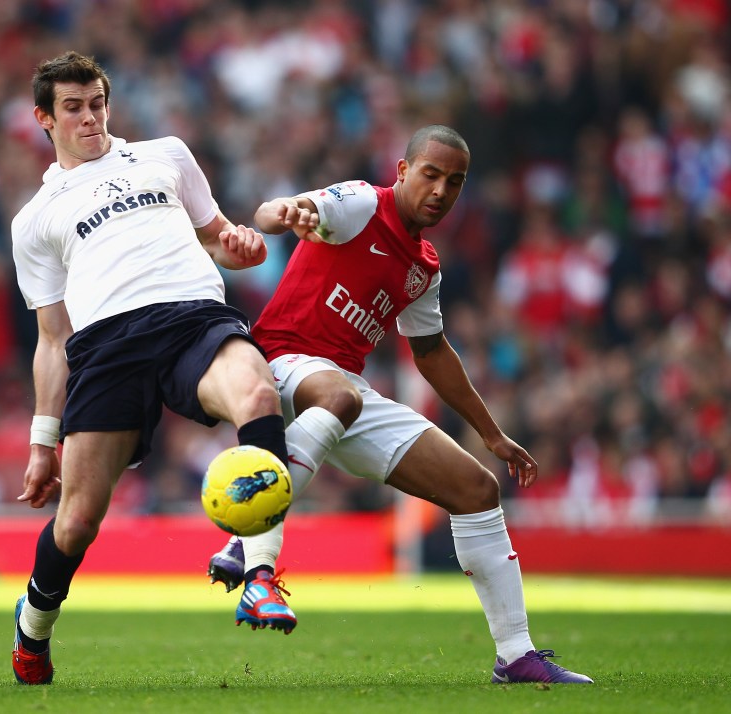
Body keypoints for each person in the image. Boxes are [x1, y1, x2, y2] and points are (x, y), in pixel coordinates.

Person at [207, 124, 593, 684]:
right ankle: (250, 540)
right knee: (339, 394)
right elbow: (275, 212)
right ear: (403, 172)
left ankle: (516, 656)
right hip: (279, 362)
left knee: (476, 490)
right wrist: (291, 212)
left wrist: (490, 433)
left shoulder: (424, 268)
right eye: (431, 175)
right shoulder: (362, 203)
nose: (440, 190)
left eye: (454, 182)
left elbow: (432, 353)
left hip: (342, 394)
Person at [8, 50, 302, 685]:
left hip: (193, 318)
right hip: (107, 347)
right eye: (73, 108)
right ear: (44, 119)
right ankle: (33, 622)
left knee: (258, 393)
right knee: (79, 520)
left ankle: (260, 574)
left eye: (97, 104)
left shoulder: (166, 154)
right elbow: (53, 337)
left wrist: (243, 246)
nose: (89, 118)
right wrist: (41, 442)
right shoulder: (34, 221)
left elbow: (221, 235)